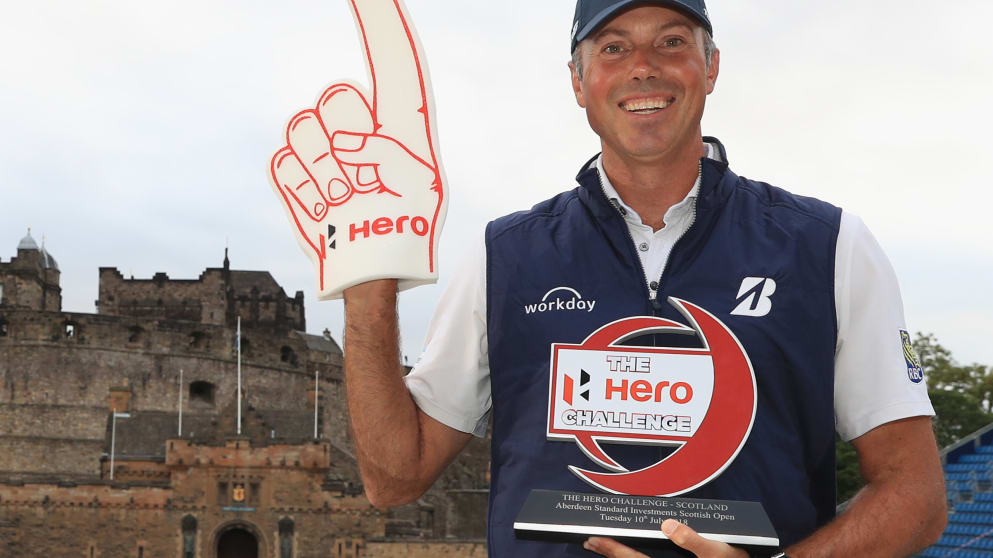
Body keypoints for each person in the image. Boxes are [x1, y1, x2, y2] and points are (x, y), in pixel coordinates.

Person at [341, 1, 947, 556]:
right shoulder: (503, 255)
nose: (643, 69)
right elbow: (396, 477)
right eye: (612, 47)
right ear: (578, 82)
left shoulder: (829, 245)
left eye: (671, 42)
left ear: (710, 68)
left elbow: (915, 496)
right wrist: (369, 279)